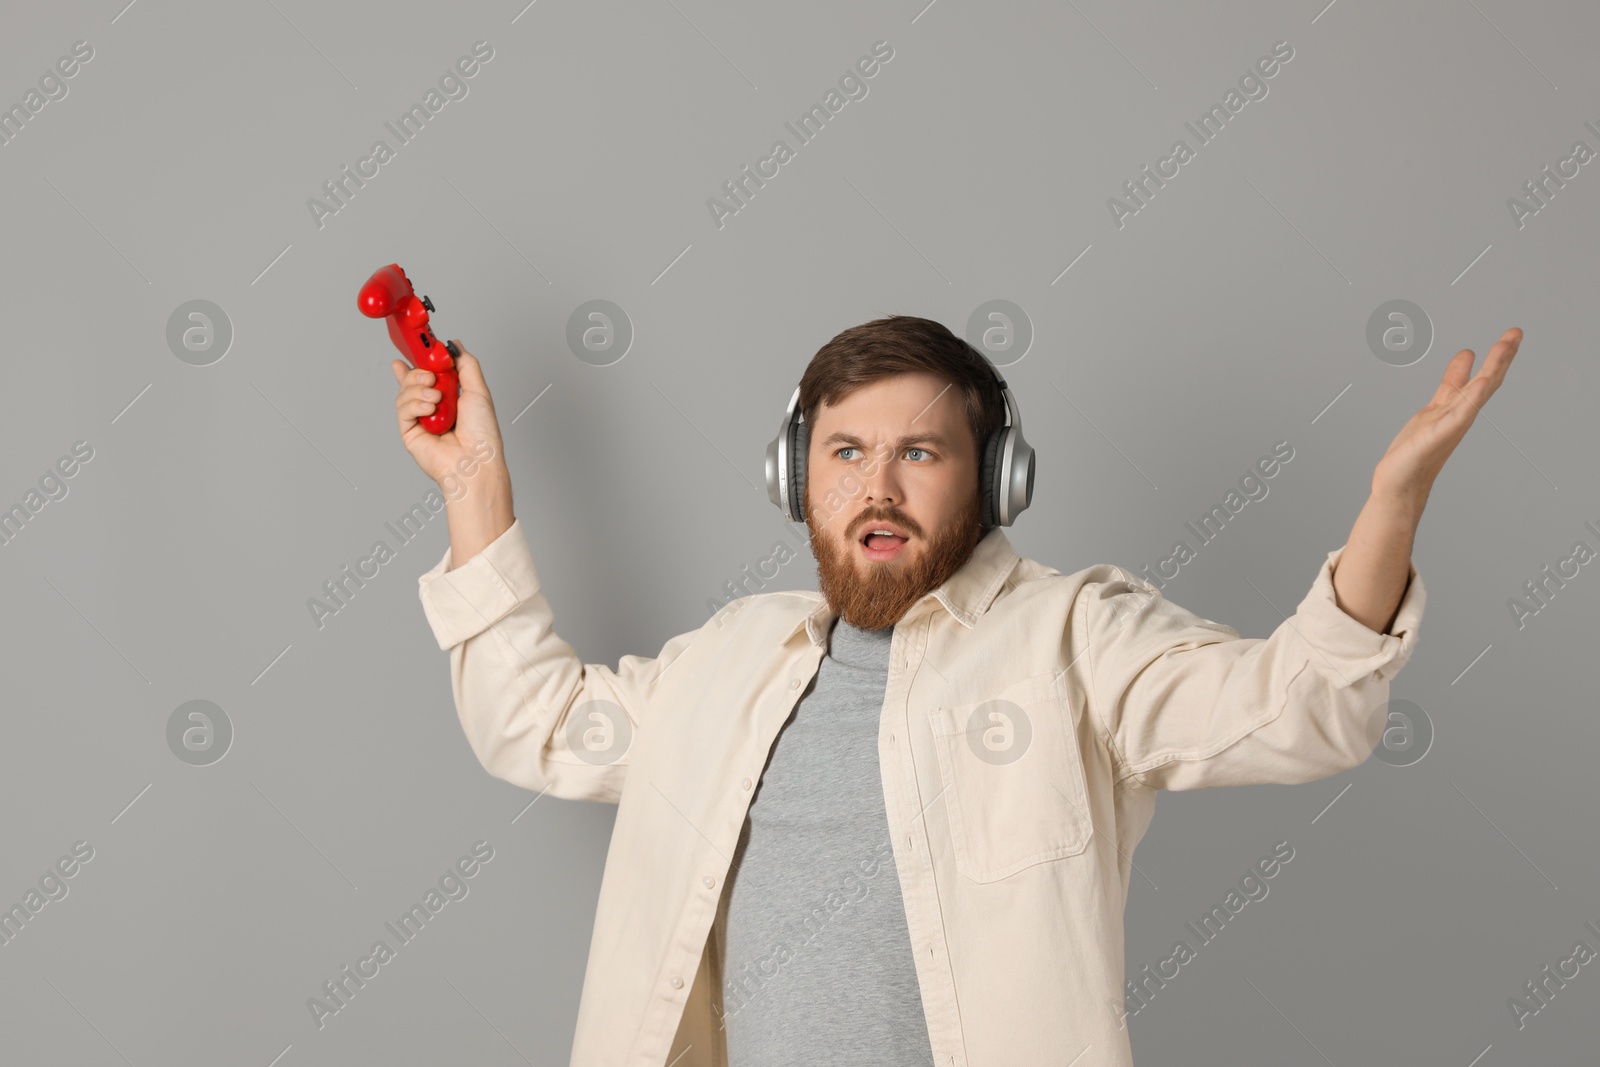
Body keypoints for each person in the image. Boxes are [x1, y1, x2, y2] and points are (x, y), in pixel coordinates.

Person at [391, 315, 1520, 1067]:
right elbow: (532, 721)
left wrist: (1392, 507)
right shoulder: (728, 660)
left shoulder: (1072, 636)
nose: (875, 486)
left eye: (919, 453)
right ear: (795, 477)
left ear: (995, 480)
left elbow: (1302, 708)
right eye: (842, 452)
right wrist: (474, 486)